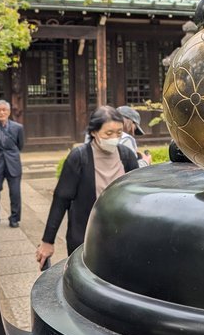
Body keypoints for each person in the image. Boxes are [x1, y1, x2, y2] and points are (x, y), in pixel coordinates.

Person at [36, 105, 139, 269]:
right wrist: (48, 241)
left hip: (121, 235)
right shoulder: (79, 157)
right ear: (93, 132)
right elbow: (61, 199)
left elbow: (138, 196)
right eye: (108, 133)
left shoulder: (127, 156)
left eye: (119, 133)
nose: (114, 138)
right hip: (85, 236)